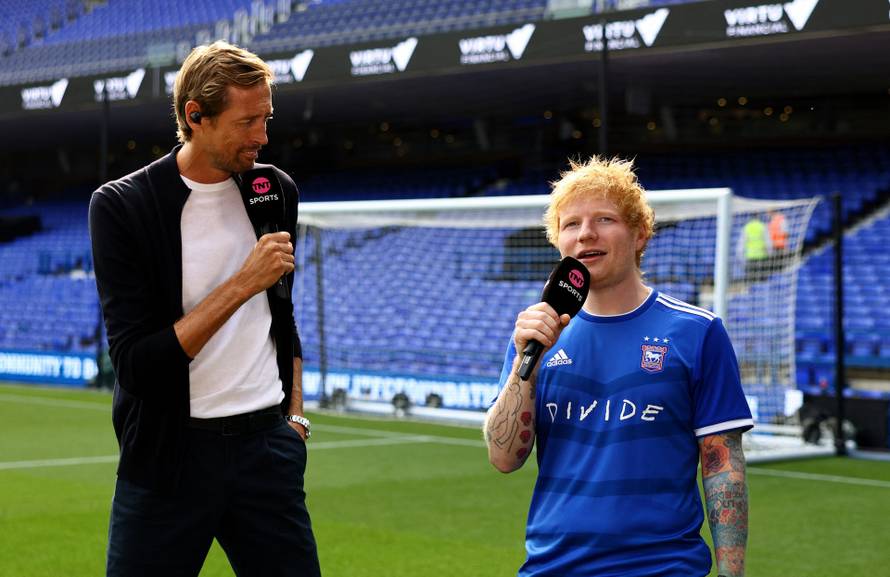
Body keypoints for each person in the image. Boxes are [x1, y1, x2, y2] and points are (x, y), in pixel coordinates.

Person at [89, 41, 321, 576]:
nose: (262, 136)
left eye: (266, 117)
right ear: (195, 116)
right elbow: (137, 366)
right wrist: (243, 282)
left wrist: (296, 419)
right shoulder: (122, 206)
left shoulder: (274, 188)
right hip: (169, 461)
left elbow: (282, 316)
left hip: (268, 453)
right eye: (246, 122)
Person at [484, 156, 752, 577]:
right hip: (551, 567)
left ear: (640, 232)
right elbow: (504, 458)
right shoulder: (536, 334)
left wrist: (733, 574)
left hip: (662, 569)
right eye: (571, 224)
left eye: (604, 219)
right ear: (559, 241)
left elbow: (723, 466)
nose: (586, 233)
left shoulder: (697, 331)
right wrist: (525, 363)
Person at [739, 213, 771, 281]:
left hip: (750, 256)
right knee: (762, 279)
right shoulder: (762, 226)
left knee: (751, 279)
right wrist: (769, 253)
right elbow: (768, 241)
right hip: (762, 256)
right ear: (758, 217)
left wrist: (741, 255)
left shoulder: (747, 227)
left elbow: (741, 244)